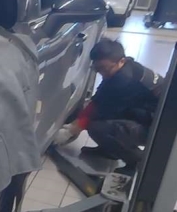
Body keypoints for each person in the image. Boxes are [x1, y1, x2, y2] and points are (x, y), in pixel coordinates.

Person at [57, 39, 165, 170]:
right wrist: (74, 124)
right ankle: (109, 151)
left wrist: (72, 129)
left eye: (105, 69)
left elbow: (103, 110)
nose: (102, 73)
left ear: (121, 61)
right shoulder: (124, 68)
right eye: (97, 68)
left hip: (156, 127)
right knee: (97, 118)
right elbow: (99, 98)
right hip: (144, 114)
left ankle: (138, 162)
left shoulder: (124, 80)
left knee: (98, 127)